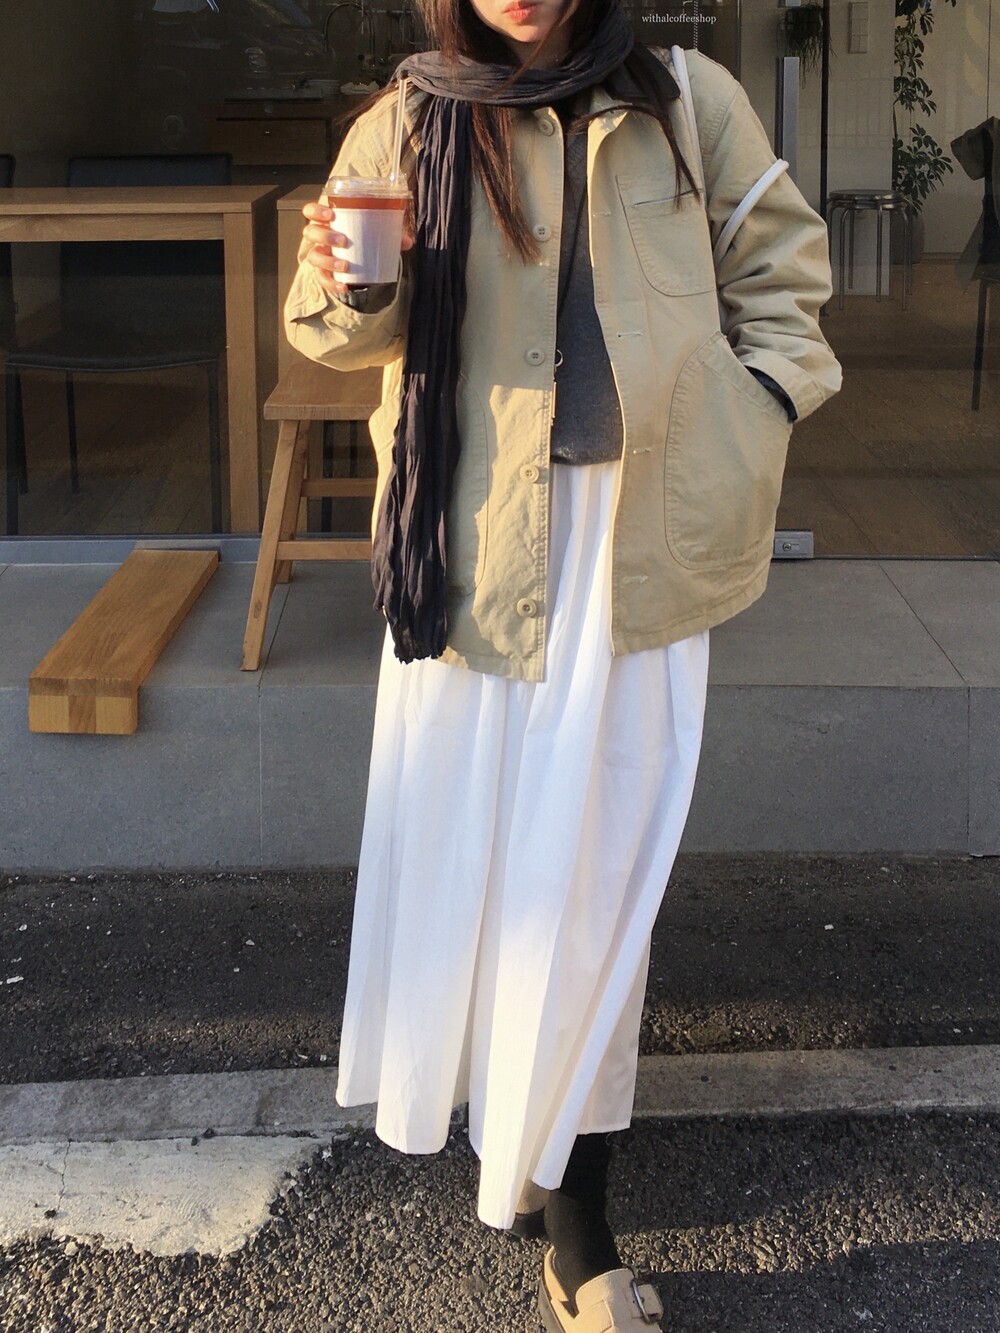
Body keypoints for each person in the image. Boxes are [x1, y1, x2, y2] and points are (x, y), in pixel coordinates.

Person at [285, 0, 842, 1324]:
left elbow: (785, 273)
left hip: (634, 549)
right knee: (483, 877)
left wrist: (753, 412)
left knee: (596, 889)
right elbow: (333, 332)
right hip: (476, 543)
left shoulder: (686, 101)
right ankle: (511, 1130)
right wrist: (354, 283)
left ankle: (577, 1211)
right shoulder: (407, 122)